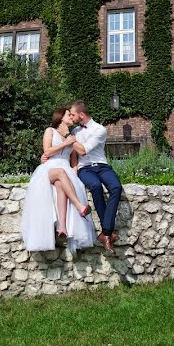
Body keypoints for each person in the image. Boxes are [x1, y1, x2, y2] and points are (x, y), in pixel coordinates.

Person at [20, 108, 96, 253]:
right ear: (61, 117)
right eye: (69, 114)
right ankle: (79, 206)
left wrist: (74, 175)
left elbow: (74, 162)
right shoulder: (50, 131)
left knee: (61, 185)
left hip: (65, 171)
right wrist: (65, 143)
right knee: (60, 173)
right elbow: (47, 151)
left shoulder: (72, 136)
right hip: (49, 169)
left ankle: (62, 227)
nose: (72, 117)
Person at [67, 100, 123, 255]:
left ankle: (105, 232)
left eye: (73, 114)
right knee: (96, 186)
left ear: (81, 114)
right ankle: (108, 234)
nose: (71, 117)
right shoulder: (74, 132)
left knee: (116, 187)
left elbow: (83, 150)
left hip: (102, 166)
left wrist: (69, 138)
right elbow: (75, 155)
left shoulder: (100, 129)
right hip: (85, 169)